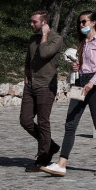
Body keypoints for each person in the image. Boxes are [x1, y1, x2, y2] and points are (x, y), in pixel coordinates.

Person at [42, 11, 96, 177]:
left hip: (94, 85)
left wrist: (91, 82)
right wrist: (76, 67)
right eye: (80, 23)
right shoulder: (83, 42)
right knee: (70, 123)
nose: (81, 25)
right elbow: (82, 64)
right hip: (79, 83)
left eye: (84, 22)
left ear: (93, 22)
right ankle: (61, 163)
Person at [20, 10, 63, 172]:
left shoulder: (56, 39)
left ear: (44, 23)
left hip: (46, 86)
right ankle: (50, 145)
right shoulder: (32, 39)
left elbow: (44, 53)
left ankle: (43, 157)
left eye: (34, 22)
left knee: (44, 122)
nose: (31, 24)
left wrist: (44, 35)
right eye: (31, 21)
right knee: (25, 120)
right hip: (31, 85)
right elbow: (28, 59)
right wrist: (26, 73)